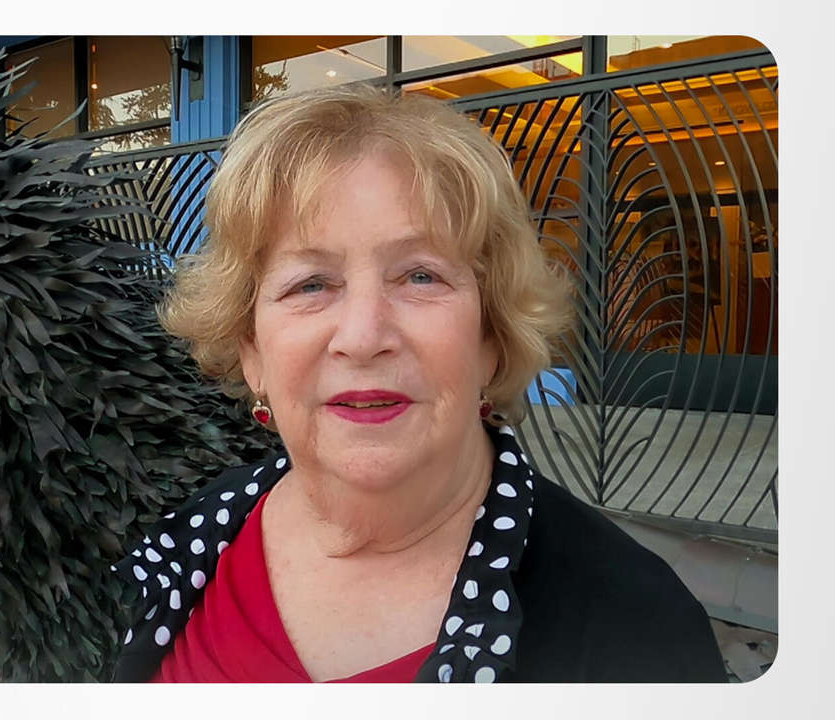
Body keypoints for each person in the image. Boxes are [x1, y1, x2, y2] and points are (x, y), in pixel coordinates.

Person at [109, 83, 725, 683]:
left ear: (491, 337)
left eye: (420, 277)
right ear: (252, 352)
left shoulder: (640, 634)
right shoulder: (191, 537)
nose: (363, 336)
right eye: (311, 284)